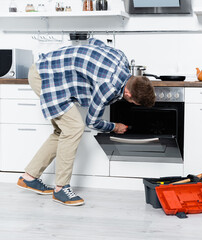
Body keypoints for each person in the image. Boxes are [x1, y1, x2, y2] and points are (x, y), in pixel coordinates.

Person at [16, 38, 155, 206]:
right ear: (128, 93)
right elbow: (92, 121)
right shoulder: (108, 87)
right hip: (46, 76)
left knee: (63, 130)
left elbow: (94, 42)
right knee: (74, 127)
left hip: (52, 71)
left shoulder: (121, 59)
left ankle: (29, 177)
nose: (131, 104)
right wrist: (114, 127)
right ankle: (61, 189)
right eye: (133, 102)